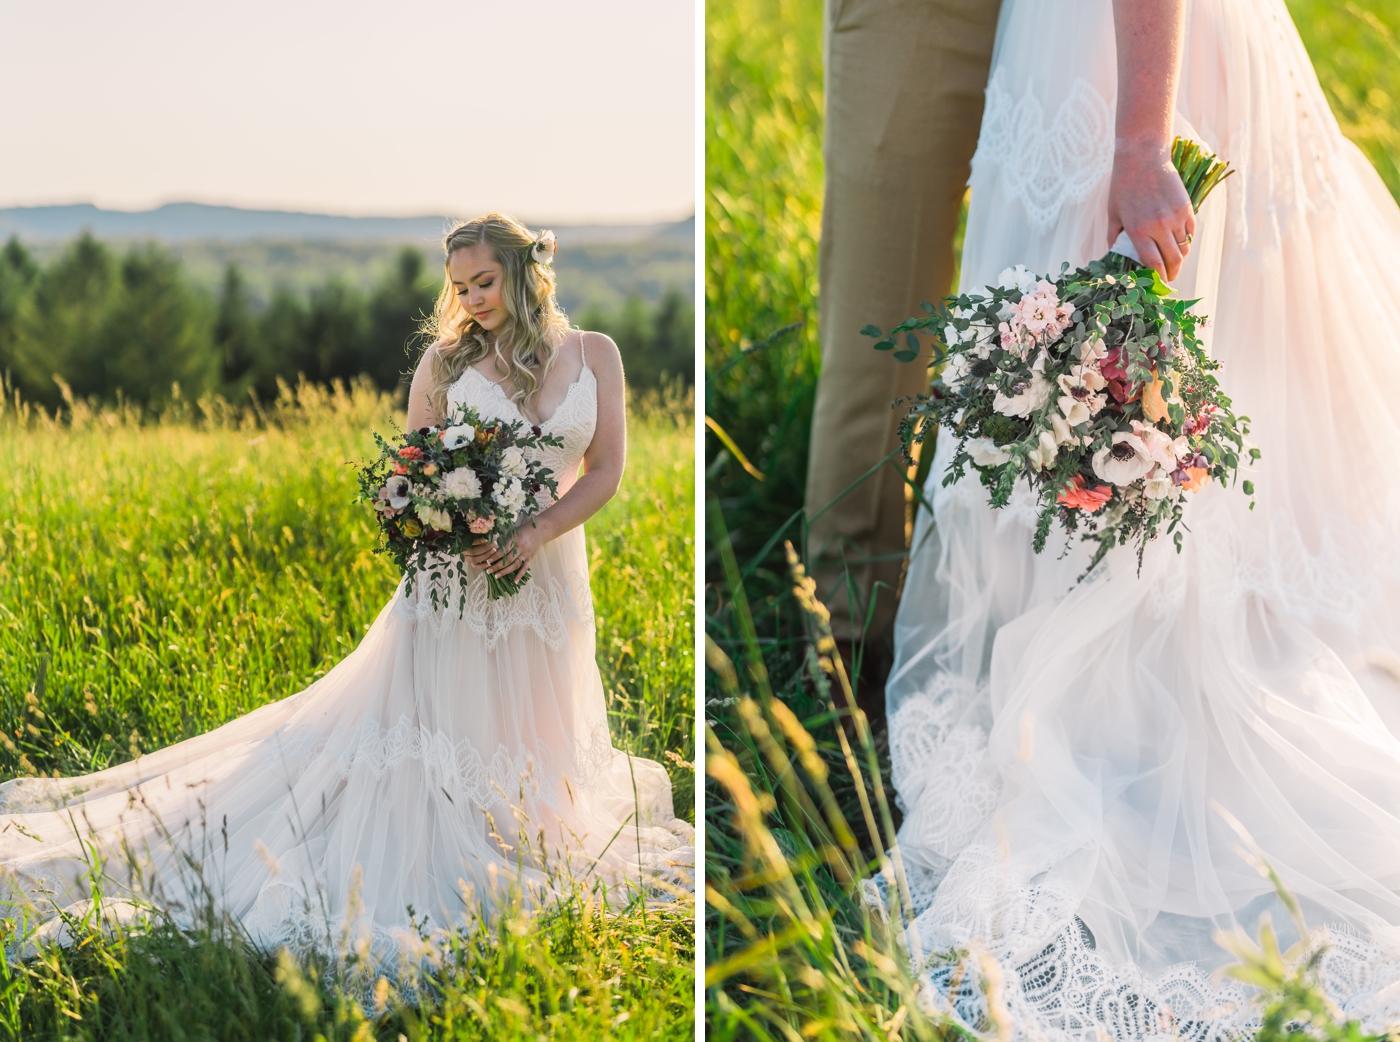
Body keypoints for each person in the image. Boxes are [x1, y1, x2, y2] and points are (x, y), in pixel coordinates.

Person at [886, 0, 1400, 1033]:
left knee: (1154, 371)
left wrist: (1136, 139)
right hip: (1091, 48)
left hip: (1127, 65)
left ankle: (1137, 694)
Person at [0, 213, 692, 967]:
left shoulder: (596, 356)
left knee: (535, 733)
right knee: (445, 745)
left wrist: (534, 532)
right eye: (459, 286)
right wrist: (446, 517)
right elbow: (411, 478)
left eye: (485, 282)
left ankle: (532, 830)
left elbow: (607, 471)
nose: (472, 299)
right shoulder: (445, 365)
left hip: (550, 581)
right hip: (454, 590)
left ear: (526, 272)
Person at [805, 0, 1001, 682]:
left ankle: (1043, 621)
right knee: (880, 334)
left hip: (1091, 24)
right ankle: (851, 635)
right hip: (924, 15)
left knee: (1080, 309)